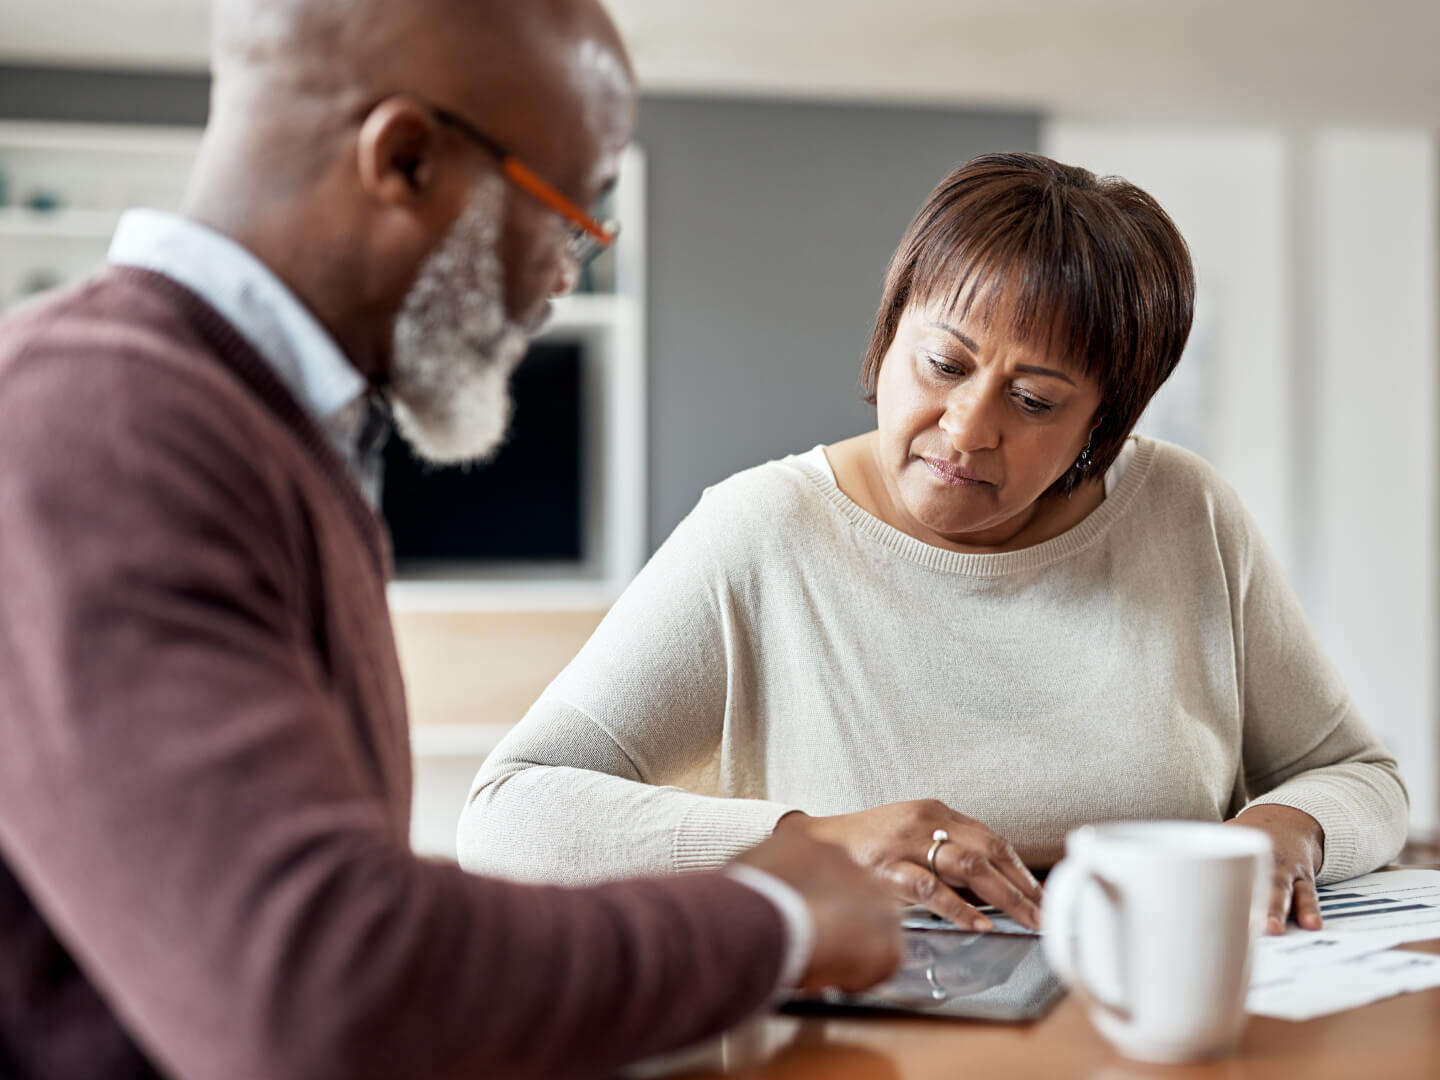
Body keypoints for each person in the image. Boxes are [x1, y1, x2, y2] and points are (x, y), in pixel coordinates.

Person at [0, 1, 904, 1078]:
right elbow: (318, 986)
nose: (562, 278)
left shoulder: (255, 427)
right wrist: (775, 918)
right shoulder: (101, 425)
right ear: (408, 160)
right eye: (567, 216)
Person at [459, 152, 1409, 939]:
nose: (965, 427)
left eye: (1034, 401)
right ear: (887, 336)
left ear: (1104, 426)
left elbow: (1361, 777)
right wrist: (815, 839)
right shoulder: (762, 531)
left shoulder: (1186, 515)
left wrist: (1292, 827)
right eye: (944, 364)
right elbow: (510, 810)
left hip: (1157, 1022)